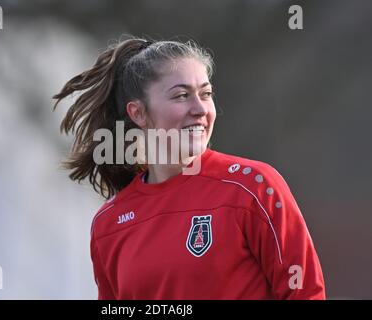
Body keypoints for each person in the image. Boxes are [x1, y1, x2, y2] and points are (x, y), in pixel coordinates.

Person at [53, 36, 326, 299]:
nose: (200, 109)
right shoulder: (109, 224)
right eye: (181, 96)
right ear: (139, 113)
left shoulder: (253, 186)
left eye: (206, 94)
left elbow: (305, 293)